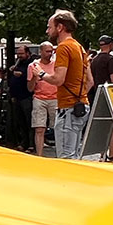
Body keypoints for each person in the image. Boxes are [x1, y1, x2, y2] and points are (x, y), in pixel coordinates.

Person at [44, 10, 92, 159]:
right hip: (82, 105)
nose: (47, 31)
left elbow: (58, 79)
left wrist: (40, 73)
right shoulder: (79, 47)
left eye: (49, 27)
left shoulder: (63, 48)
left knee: (66, 158)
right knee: (75, 155)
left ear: (60, 27)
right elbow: (90, 81)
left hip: (68, 109)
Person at [90, 36, 113, 161]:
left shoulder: (94, 60)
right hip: (109, 95)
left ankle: (102, 155)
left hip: (98, 95)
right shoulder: (111, 59)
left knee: (102, 126)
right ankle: (112, 155)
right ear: (111, 45)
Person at [27, 42, 58, 157]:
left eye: (51, 51)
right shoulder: (33, 66)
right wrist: (34, 77)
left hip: (55, 97)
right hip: (39, 98)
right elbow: (29, 88)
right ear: (41, 52)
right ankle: (39, 155)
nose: (50, 54)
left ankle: (59, 154)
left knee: (57, 127)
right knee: (39, 128)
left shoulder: (56, 64)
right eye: (47, 51)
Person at [8, 46, 34, 151]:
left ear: (27, 53)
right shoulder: (18, 63)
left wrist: (22, 75)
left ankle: (31, 144)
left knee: (29, 121)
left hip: (26, 96)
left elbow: (31, 77)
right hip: (17, 96)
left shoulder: (31, 63)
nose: (19, 56)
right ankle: (23, 142)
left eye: (21, 54)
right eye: (18, 54)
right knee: (20, 122)